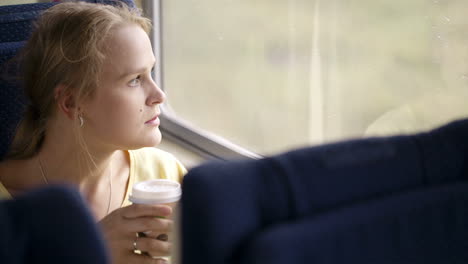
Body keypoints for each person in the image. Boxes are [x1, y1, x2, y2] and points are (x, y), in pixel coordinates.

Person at [0, 2, 186, 264]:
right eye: (134, 79)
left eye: (151, 72)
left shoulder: (167, 176)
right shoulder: (8, 211)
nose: (159, 95)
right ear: (70, 102)